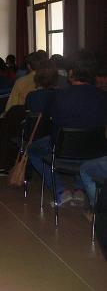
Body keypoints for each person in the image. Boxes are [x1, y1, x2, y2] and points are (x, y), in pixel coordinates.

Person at [27, 51, 107, 205]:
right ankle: (79, 190)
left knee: (33, 149)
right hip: (95, 151)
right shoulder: (103, 97)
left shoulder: (59, 96)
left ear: (71, 73)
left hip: (61, 149)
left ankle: (61, 190)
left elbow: (52, 121)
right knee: (82, 142)